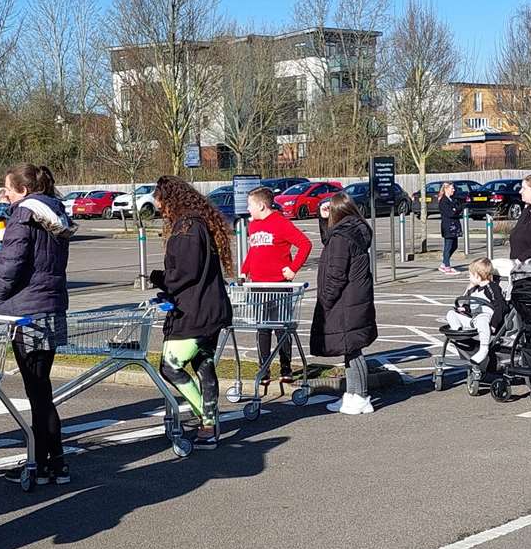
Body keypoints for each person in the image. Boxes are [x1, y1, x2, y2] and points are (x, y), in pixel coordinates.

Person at [0, 164, 75, 480]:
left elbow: (9, 268)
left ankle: (41, 462)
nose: (4, 193)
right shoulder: (54, 214)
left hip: (25, 313)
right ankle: (53, 461)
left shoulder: (22, 216)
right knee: (41, 390)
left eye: (7, 187)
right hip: (51, 307)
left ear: (22, 190)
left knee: (38, 392)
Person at [151, 176, 233, 448]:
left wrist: (160, 278)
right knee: (203, 364)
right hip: (211, 308)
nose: (157, 205)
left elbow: (184, 272)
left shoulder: (186, 227)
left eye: (159, 199)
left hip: (194, 311)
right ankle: (209, 429)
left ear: (170, 199)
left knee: (170, 366)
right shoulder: (199, 223)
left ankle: (207, 418)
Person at [310, 191, 379, 415]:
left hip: (346, 300)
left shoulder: (342, 236)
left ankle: (361, 396)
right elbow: (329, 240)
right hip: (354, 298)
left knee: (353, 350)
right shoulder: (352, 230)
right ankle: (352, 395)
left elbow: (336, 273)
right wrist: (322, 219)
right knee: (350, 348)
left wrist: (325, 300)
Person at [240, 186, 312, 392]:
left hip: (279, 285)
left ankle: (286, 368)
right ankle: (264, 369)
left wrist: (293, 268)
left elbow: (305, 244)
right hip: (258, 285)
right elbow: (254, 252)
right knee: (262, 328)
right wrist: (245, 271)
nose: (248, 209)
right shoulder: (253, 225)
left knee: (282, 328)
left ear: (262, 205)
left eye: (250, 205)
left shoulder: (280, 223)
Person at [444, 258, 507, 394]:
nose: (469, 277)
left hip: (486, 317)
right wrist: (463, 308)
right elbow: (468, 304)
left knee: (482, 320)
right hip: (473, 318)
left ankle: (483, 348)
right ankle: (460, 335)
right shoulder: (474, 289)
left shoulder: (492, 287)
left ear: (479, 275)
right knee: (451, 314)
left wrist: (495, 325)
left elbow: (500, 306)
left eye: (471, 275)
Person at [436, 181, 464, 274]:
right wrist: (457, 210)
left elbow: (456, 209)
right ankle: (447, 266)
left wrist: (457, 209)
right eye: (452, 188)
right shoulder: (443, 201)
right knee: (448, 246)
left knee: (454, 246)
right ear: (446, 189)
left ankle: (444, 263)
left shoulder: (451, 199)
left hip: (454, 226)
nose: (454, 190)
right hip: (448, 226)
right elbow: (451, 213)